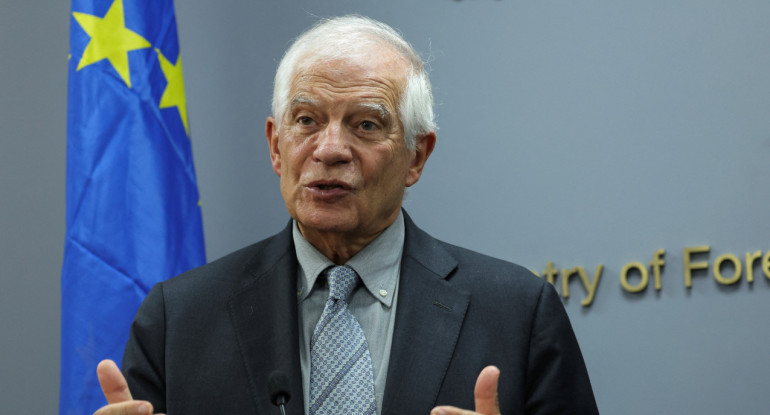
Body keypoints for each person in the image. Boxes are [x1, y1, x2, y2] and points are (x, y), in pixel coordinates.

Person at [94, 15, 599, 415]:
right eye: (307, 120)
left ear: (417, 156)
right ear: (275, 145)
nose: (330, 149)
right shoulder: (178, 321)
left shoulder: (517, 313)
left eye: (365, 124)